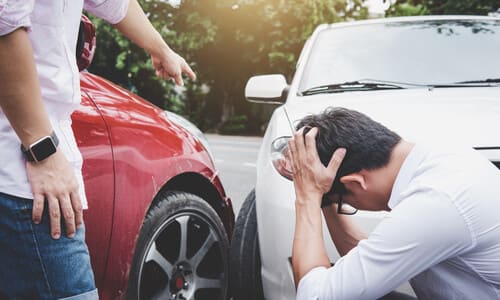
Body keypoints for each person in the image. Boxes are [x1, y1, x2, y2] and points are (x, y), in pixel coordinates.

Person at [0, 0, 195, 298]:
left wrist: (161, 48)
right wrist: (43, 151)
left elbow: (113, 3)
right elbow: (4, 28)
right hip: (23, 166)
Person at [287, 107, 500, 299]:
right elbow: (365, 265)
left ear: (356, 182)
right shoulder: (440, 159)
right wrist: (322, 195)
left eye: (340, 201)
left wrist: (307, 197)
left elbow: (314, 295)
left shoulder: (434, 201)